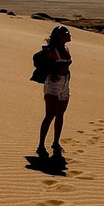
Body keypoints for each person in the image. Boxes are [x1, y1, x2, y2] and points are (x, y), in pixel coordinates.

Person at [37, 25, 72, 158]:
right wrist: (52, 72)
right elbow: (42, 63)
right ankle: (41, 145)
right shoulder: (51, 51)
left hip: (65, 83)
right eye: (66, 33)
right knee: (50, 115)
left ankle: (56, 143)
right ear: (59, 36)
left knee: (60, 114)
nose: (69, 35)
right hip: (53, 84)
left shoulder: (66, 49)